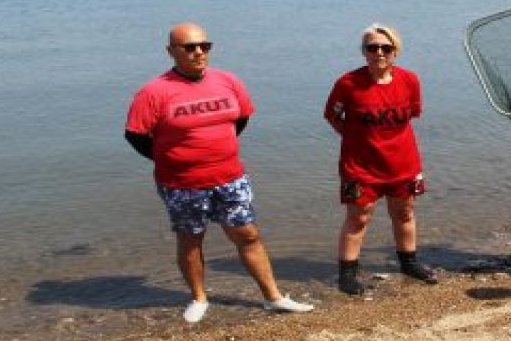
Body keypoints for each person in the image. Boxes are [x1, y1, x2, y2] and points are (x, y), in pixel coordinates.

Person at [125, 22, 313, 323]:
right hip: (181, 184)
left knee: (248, 234)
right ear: (171, 51)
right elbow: (135, 135)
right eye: (189, 47)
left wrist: (216, 148)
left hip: (230, 178)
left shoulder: (228, 81)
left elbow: (241, 119)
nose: (199, 52)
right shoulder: (153, 92)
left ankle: (273, 297)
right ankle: (199, 298)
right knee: (190, 239)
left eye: (204, 46)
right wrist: (172, 160)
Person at [324, 24, 438, 296]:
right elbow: (331, 115)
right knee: (358, 218)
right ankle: (347, 274)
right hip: (359, 167)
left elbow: (411, 115)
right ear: (364, 52)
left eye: (385, 48)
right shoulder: (347, 83)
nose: (379, 53)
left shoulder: (409, 80)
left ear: (395, 51)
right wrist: (354, 138)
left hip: (403, 164)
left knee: (404, 212)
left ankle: (409, 263)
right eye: (371, 47)